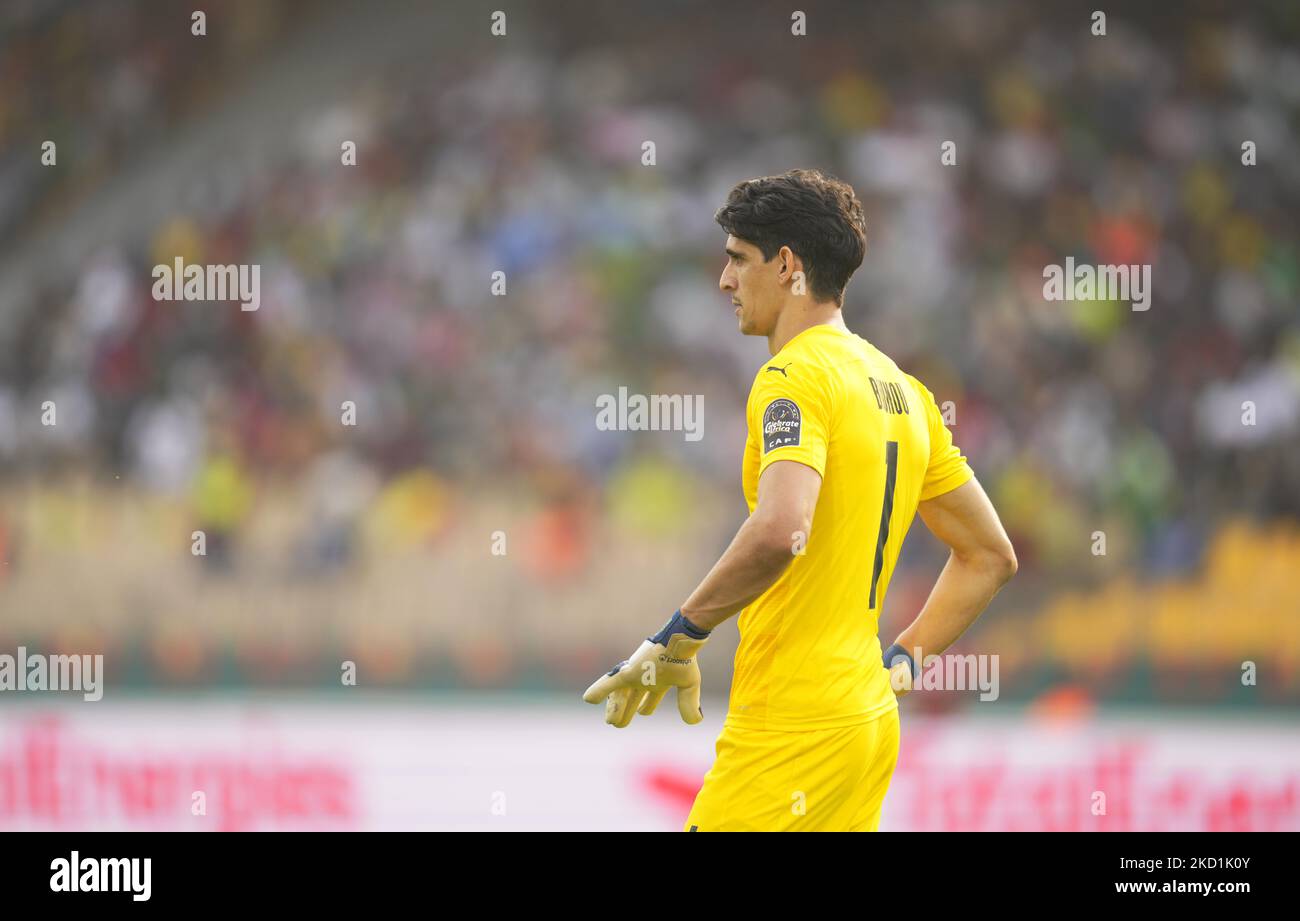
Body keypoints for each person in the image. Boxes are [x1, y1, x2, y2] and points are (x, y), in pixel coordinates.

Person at [583, 169, 1017, 831]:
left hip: (793, 725)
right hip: (866, 718)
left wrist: (677, 637)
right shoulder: (902, 389)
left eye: (736, 259)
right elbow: (989, 555)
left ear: (786, 265)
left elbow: (782, 528)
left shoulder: (794, 376)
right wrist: (905, 657)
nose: (724, 281)